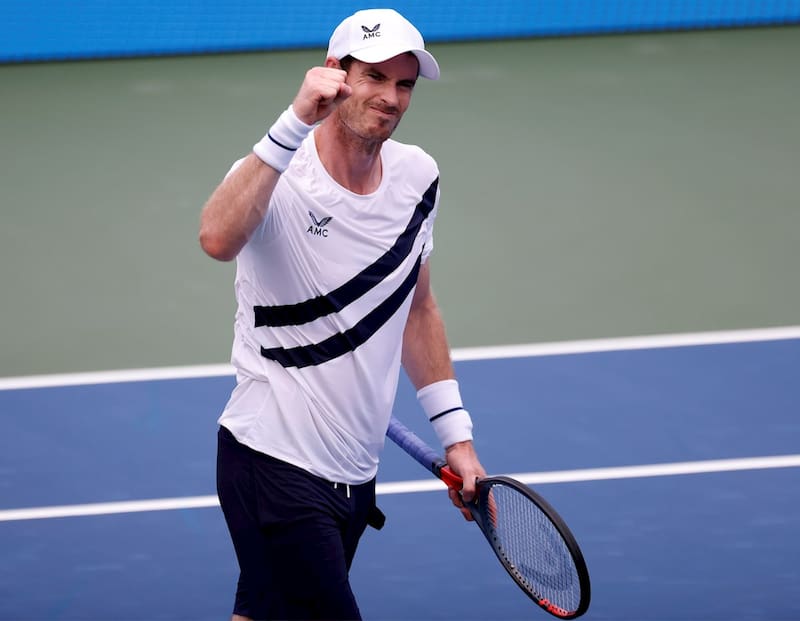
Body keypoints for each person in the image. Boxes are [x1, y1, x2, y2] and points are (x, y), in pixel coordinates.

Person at [199, 8, 486, 620]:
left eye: (404, 84)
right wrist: (294, 122)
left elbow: (417, 310)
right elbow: (216, 239)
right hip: (273, 459)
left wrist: (456, 439)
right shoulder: (277, 175)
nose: (390, 98)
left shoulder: (418, 176)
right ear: (335, 73)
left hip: (353, 472)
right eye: (374, 76)